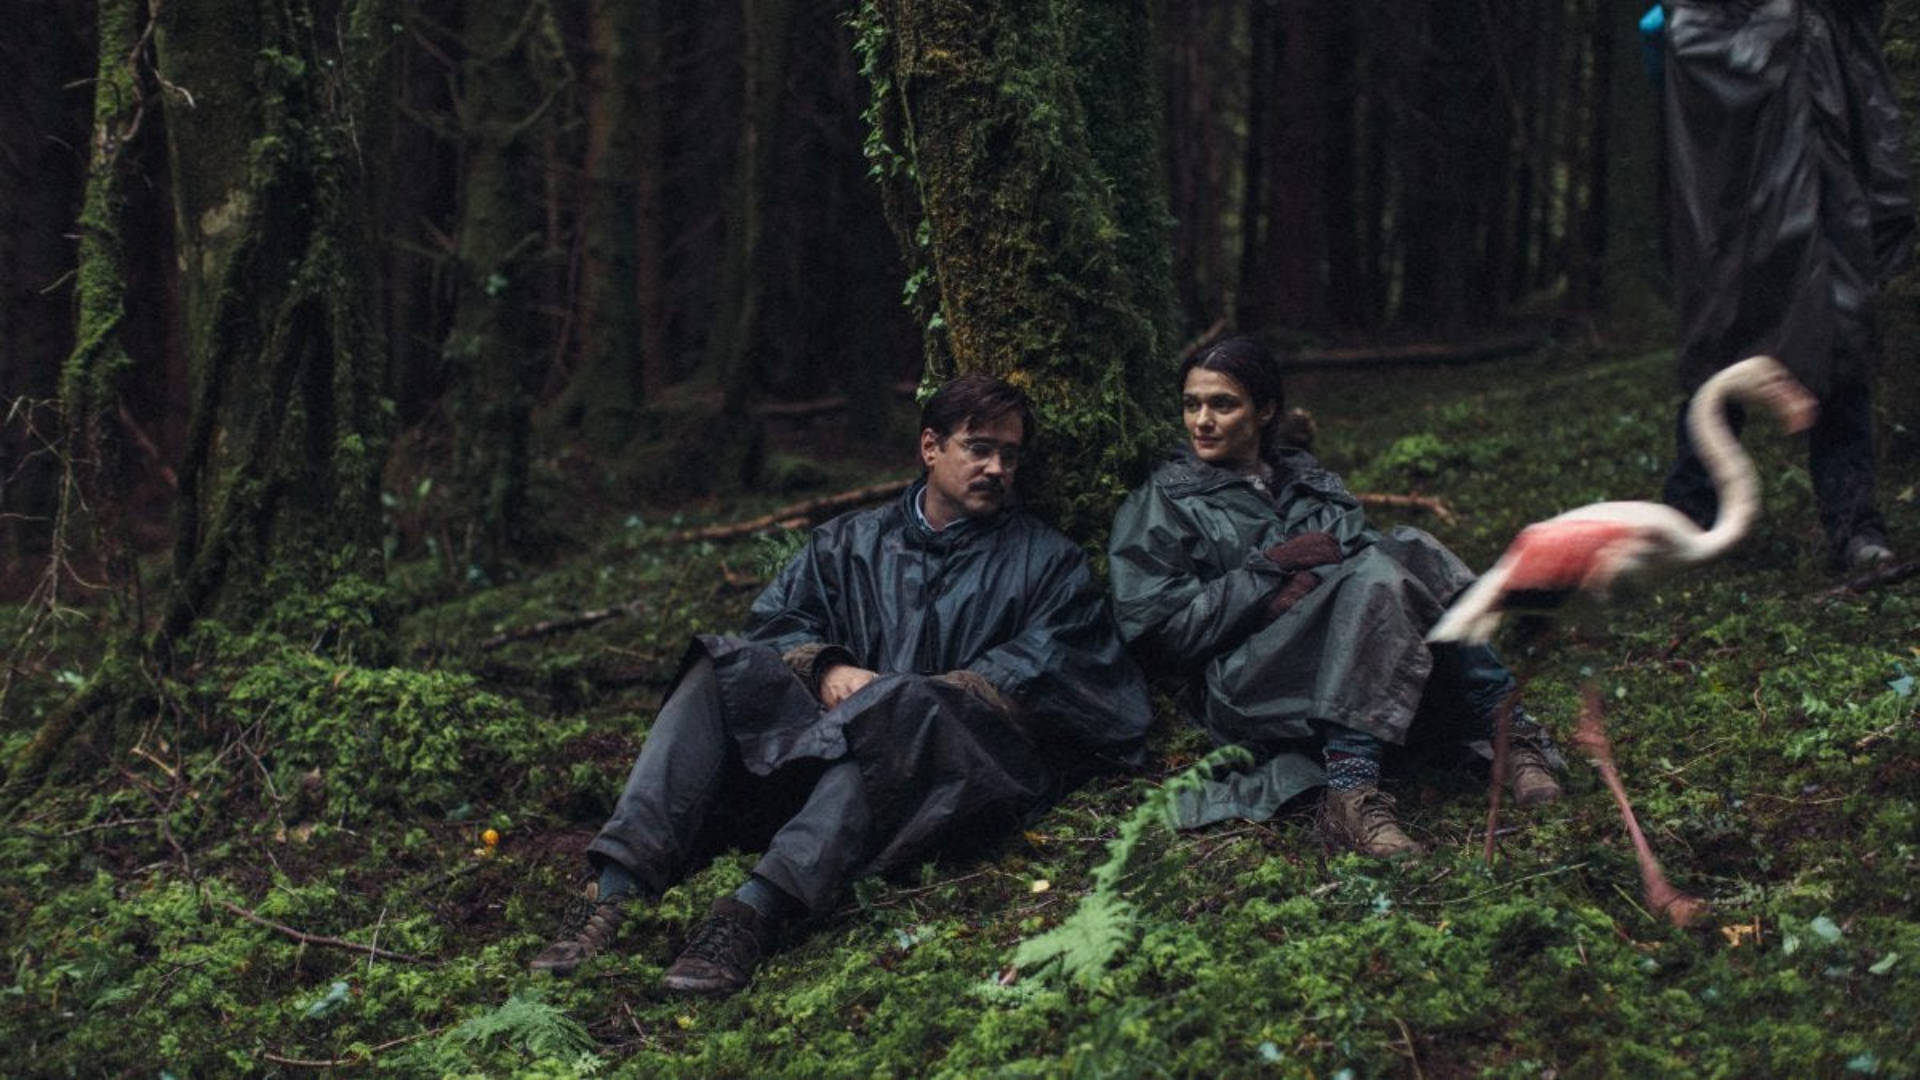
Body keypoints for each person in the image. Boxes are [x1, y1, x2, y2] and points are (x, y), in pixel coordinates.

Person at [530, 374, 1152, 995]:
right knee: (719, 665)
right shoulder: (847, 543)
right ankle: (614, 889)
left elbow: (1061, 668)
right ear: (931, 447)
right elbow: (775, 624)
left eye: (1009, 456)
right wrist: (824, 668)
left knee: (903, 708)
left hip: (942, 771)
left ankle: (753, 912)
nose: (996, 468)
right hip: (816, 753)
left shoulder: (1046, 561)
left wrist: (920, 693)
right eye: (978, 448)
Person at [1107, 337, 1562, 859]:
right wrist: (1267, 576)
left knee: (1409, 547)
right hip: (1243, 679)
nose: (1201, 421)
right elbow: (1159, 631)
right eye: (1191, 404)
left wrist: (1311, 586)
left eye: (1222, 404)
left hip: (1342, 654)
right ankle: (1354, 786)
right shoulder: (1164, 502)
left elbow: (1382, 580)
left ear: (1266, 410)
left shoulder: (1313, 485)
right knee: (1387, 564)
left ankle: (1507, 733)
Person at [1659, 0, 1914, 570]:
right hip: (1735, 204)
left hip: (1827, 198)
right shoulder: (1708, 20)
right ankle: (1690, 518)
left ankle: (1856, 527)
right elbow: (1690, 50)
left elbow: (1865, 88)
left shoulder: (1827, 20)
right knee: (1722, 343)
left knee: (1840, 345)